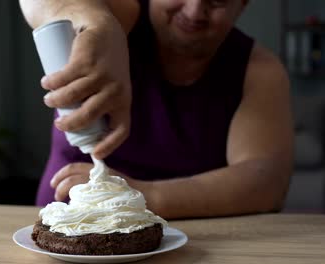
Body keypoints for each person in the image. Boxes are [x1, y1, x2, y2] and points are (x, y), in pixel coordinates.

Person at [19, 0, 293, 219]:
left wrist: (141, 196)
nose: (194, 9)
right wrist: (99, 26)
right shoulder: (122, 15)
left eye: (218, 0)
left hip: (194, 244)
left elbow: (265, 182)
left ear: (242, 5)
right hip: (63, 229)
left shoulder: (257, 70)